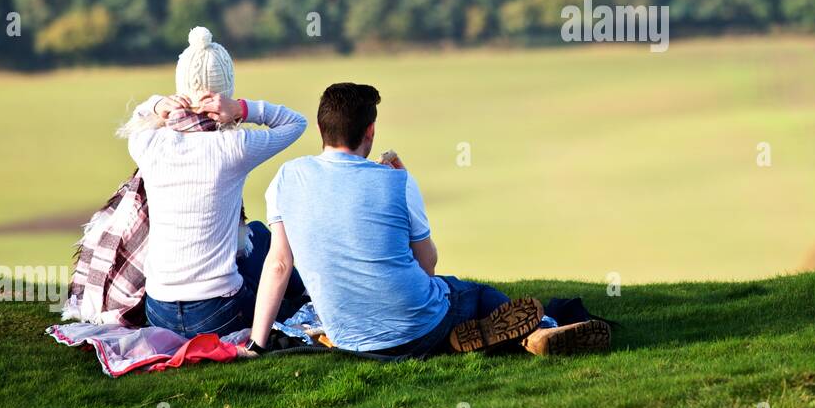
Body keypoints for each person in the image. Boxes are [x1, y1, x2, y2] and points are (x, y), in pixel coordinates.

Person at [247, 82, 548, 357]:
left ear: (320, 127)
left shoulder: (286, 178)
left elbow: (279, 264)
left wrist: (257, 345)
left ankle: (475, 337)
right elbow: (427, 266)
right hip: (420, 330)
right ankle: (542, 332)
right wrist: (403, 184)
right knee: (475, 294)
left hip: (350, 340)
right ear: (370, 131)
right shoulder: (399, 183)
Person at [124, 26, 309, 337]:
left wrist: (159, 105)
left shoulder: (148, 143)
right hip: (217, 314)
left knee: (257, 235)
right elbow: (296, 123)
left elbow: (141, 113)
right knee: (266, 247)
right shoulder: (233, 147)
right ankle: (303, 297)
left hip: (158, 310)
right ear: (227, 90)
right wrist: (242, 109)